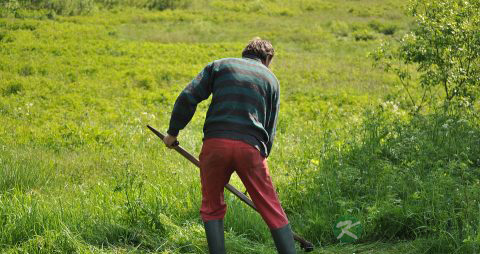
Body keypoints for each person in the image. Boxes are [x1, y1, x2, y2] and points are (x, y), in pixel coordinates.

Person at [163, 38, 296, 254]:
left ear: (245, 53)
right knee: (271, 207)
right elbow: (270, 126)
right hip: (251, 149)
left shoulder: (220, 66)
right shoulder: (271, 80)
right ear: (268, 58)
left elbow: (188, 96)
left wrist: (173, 132)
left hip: (215, 145)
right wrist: (261, 158)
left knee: (212, 206)